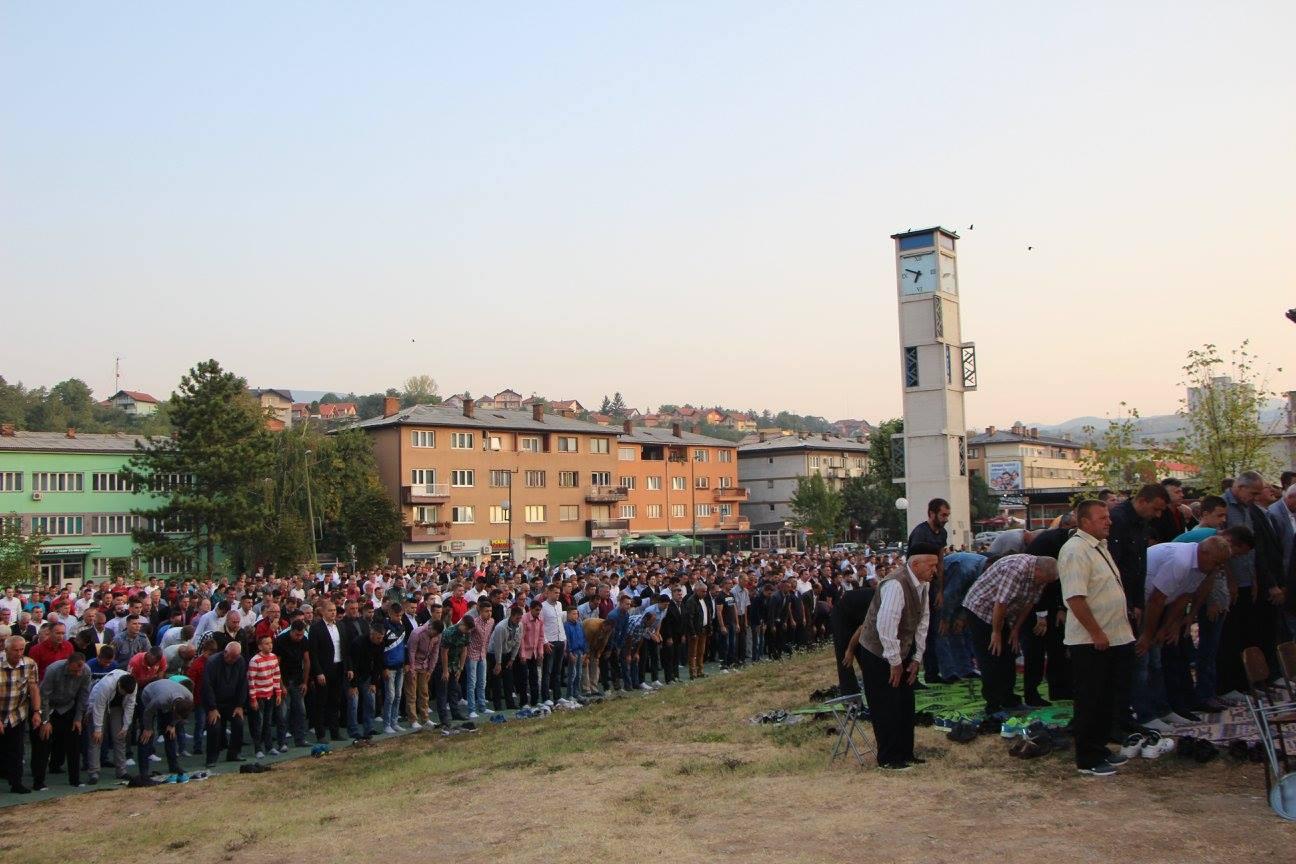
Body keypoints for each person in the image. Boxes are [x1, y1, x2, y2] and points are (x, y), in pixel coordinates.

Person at [843, 542, 939, 770]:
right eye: (932, 565)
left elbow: (923, 622)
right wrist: (895, 661)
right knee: (886, 704)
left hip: (901, 649)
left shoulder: (923, 585)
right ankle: (888, 758)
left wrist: (917, 658)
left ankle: (906, 752)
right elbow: (886, 626)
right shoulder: (896, 584)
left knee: (906, 702)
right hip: (878, 651)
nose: (935, 570)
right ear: (916, 564)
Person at [1060, 499, 1137, 777]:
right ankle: (1088, 757)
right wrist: (1096, 632)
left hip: (1114, 637)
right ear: (1085, 522)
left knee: (1107, 698)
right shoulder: (1075, 550)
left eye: (1108, 516)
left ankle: (1101, 747)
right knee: (1090, 699)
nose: (1109, 521)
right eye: (1102, 518)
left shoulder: (1099, 547)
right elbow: (1075, 597)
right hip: (1090, 641)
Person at [1134, 537, 1232, 732]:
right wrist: (1147, 634)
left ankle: (1162, 709)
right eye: (1217, 562)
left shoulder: (1202, 566)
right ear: (1205, 553)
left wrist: (1166, 628)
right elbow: (1156, 599)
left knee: (1157, 662)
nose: (1219, 568)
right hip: (1140, 604)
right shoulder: (1180, 561)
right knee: (1143, 663)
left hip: (1157, 605)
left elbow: (1183, 597)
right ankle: (1144, 715)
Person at [961, 555, 1058, 715]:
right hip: (981, 609)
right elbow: (1001, 603)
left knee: (1008, 655)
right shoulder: (1016, 569)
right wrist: (996, 632)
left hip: (1004, 615)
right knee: (991, 655)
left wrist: (1014, 629)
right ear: (1038, 570)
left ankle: (1009, 700)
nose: (1045, 583)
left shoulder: (1040, 577)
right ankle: (993, 705)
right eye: (1045, 579)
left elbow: (1029, 603)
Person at [32, 652, 90, 790]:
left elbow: (83, 695)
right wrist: (45, 721)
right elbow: (44, 696)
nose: (77, 674)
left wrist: (78, 718)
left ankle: (75, 780)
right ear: (68, 664)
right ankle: (38, 782)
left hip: (68, 707)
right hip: (49, 707)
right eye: (74, 670)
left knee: (74, 744)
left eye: (79, 671)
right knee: (43, 743)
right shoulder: (53, 670)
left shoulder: (86, 671)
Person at [910, 498, 950, 686]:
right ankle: (912, 674)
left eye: (947, 515)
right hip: (917, 585)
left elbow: (940, 562)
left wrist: (940, 589)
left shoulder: (942, 533)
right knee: (915, 631)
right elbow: (914, 564)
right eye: (943, 515)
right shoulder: (920, 533)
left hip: (932, 586)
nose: (946, 519)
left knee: (932, 630)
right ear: (931, 514)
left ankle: (932, 673)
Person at [135, 677, 193, 784]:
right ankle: (144, 773)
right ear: (174, 709)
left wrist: (172, 725)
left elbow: (178, 717)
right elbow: (148, 712)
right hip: (148, 696)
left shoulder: (189, 697)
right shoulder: (161, 700)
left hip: (168, 694)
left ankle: (173, 766)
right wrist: (148, 728)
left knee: (170, 733)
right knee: (146, 737)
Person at [307, 601, 349, 743]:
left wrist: (348, 668)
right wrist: (318, 672)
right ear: (323, 612)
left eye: (334, 611)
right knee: (321, 703)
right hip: (324, 670)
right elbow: (313, 653)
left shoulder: (341, 626)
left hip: (339, 667)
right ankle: (321, 734)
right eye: (330, 610)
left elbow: (345, 648)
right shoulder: (316, 628)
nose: (333, 613)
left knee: (335, 702)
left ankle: (335, 732)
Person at [87, 667, 136, 784]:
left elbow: (130, 705)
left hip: (118, 708)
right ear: (119, 685)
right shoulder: (107, 685)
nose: (123, 694)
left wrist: (125, 726)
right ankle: (94, 772)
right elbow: (99, 707)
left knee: (120, 737)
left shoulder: (133, 686)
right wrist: (98, 729)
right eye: (122, 691)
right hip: (100, 704)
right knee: (96, 738)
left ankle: (121, 771)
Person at [202, 641, 248, 766]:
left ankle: (234, 753)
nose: (233, 660)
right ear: (225, 652)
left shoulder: (240, 661)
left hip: (232, 702)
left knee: (238, 722)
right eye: (231, 657)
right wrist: (212, 708)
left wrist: (240, 705)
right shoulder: (212, 662)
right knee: (214, 726)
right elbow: (207, 686)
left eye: (236, 657)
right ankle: (211, 758)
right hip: (214, 702)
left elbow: (243, 684)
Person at [829, 578, 875, 697]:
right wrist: (850, 650)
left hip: (856, 616)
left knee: (865, 652)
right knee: (845, 657)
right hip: (841, 617)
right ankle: (850, 693)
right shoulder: (878, 602)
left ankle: (872, 683)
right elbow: (862, 629)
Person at [247, 635, 284, 759]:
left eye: (270, 643)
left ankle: (269, 747)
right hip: (259, 696)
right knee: (259, 723)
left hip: (270, 694)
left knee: (267, 722)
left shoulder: (273, 658)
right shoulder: (255, 661)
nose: (270, 645)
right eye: (266, 643)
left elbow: (276, 676)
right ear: (260, 646)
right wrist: (253, 699)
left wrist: (278, 692)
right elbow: (251, 681)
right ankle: (258, 749)